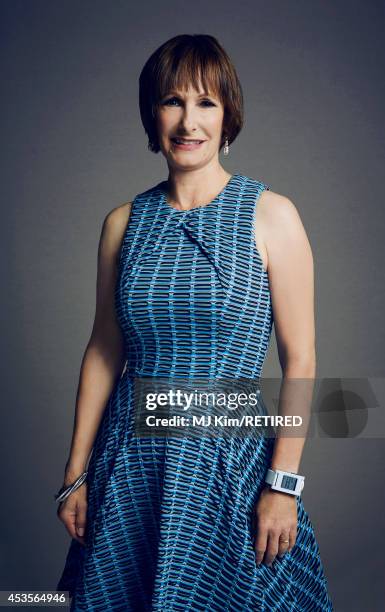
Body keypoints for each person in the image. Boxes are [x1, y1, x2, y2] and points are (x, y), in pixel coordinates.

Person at [56, 34, 334, 611]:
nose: (189, 121)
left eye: (206, 103)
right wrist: (76, 474)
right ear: (150, 113)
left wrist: (283, 485)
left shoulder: (271, 214)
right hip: (131, 462)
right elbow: (104, 350)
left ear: (228, 115)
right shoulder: (122, 223)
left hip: (231, 462)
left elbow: (301, 358)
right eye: (172, 101)